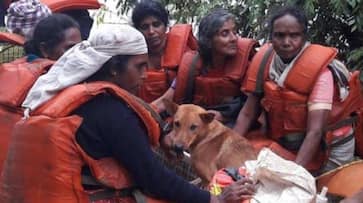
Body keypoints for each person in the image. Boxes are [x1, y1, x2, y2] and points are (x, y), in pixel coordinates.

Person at [0, 24, 256, 203]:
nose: (145, 75)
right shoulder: (109, 111)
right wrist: (215, 199)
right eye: (139, 67)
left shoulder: (70, 92)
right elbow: (153, 178)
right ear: (113, 68)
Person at [233, 6, 361, 174]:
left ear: (304, 37)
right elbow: (248, 114)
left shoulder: (321, 72)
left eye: (294, 35)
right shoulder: (264, 61)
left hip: (329, 147)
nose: (286, 42)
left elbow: (315, 132)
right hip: (289, 144)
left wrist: (294, 176)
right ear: (271, 37)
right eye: (279, 35)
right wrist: (228, 147)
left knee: (317, 194)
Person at [0, 13, 81, 175]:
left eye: (81, 47)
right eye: (70, 48)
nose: (78, 54)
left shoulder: (12, 70)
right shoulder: (53, 82)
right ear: (44, 49)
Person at [153, 9, 257, 125]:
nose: (234, 38)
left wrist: (224, 116)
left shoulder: (246, 67)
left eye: (234, 32)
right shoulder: (192, 65)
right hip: (193, 125)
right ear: (209, 40)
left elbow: (251, 110)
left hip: (231, 125)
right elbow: (165, 100)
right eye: (224, 33)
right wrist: (142, 112)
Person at [131, 0, 198, 102]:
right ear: (137, 30)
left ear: (165, 26)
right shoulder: (130, 56)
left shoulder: (185, 52)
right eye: (145, 27)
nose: (151, 31)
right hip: (140, 112)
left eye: (156, 24)